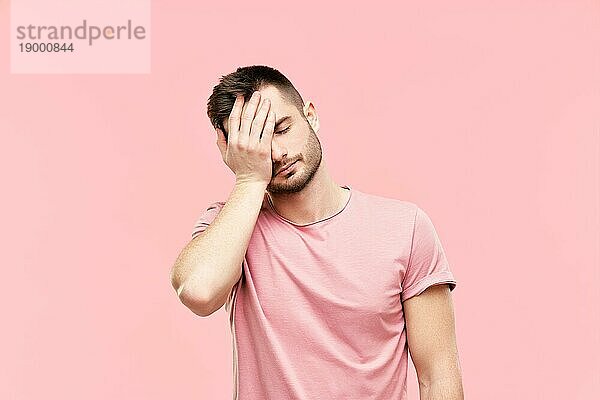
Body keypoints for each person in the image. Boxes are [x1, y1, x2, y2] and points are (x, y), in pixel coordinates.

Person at [170, 65, 464, 400]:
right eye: (256, 143)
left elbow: (438, 376)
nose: (277, 154)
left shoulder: (405, 228)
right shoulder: (231, 226)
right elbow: (198, 291)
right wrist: (250, 180)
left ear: (310, 116)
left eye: (281, 129)